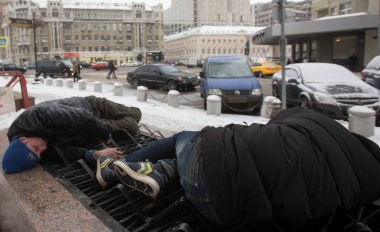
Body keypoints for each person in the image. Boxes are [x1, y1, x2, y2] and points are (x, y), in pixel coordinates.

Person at [95, 107, 380, 230]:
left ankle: (122, 169)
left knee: (184, 138)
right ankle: (167, 172)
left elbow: (271, 133)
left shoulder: (311, 127)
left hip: (211, 163)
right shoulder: (365, 181)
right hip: (232, 213)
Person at [2, 96, 142, 174]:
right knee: (131, 126)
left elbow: (83, 117)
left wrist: (105, 135)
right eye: (39, 154)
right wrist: (95, 154)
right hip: (87, 128)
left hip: (90, 106)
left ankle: (128, 114)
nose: (42, 149)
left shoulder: (38, 116)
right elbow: (66, 153)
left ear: (23, 139)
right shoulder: (36, 150)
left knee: (136, 114)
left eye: (36, 148)